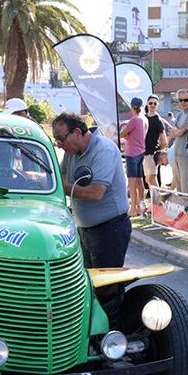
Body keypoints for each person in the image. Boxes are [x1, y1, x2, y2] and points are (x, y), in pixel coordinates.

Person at [51, 112, 131, 268]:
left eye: (61, 138)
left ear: (77, 133)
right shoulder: (71, 152)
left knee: (107, 288)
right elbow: (61, 175)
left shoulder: (104, 150)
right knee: (87, 284)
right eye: (56, 140)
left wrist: (57, 187)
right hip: (85, 229)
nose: (59, 144)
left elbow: (95, 193)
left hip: (109, 230)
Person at [167, 88, 188, 193]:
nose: (183, 102)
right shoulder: (180, 114)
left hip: (186, 155)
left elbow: (180, 132)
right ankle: (183, 209)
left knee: (186, 188)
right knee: (179, 187)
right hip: (176, 153)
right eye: (180, 100)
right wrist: (178, 131)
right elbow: (173, 132)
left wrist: (177, 131)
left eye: (186, 100)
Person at [120, 97, 148, 217]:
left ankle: (133, 209)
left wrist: (127, 135)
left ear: (131, 106)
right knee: (139, 180)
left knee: (132, 182)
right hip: (141, 151)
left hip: (132, 153)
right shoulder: (144, 119)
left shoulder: (134, 119)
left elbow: (122, 133)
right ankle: (141, 206)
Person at [143, 95, 168, 190]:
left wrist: (158, 153)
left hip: (152, 154)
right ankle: (155, 202)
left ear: (157, 105)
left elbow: (164, 140)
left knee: (152, 179)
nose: (152, 105)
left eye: (154, 103)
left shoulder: (158, 119)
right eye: (150, 103)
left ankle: (157, 203)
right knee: (148, 180)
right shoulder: (143, 118)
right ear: (147, 104)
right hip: (144, 153)